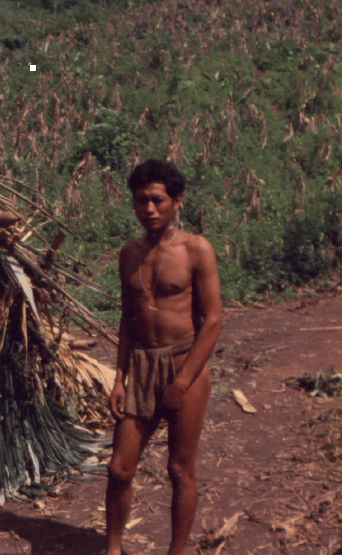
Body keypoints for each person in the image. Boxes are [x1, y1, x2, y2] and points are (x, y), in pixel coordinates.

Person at [105, 159, 222, 555]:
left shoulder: (196, 249)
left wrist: (182, 382)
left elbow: (212, 321)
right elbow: (127, 318)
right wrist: (119, 379)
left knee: (179, 468)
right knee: (119, 468)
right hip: (140, 365)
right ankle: (114, 549)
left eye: (158, 200)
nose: (150, 209)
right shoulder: (130, 253)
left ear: (176, 201)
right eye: (142, 201)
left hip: (184, 364)